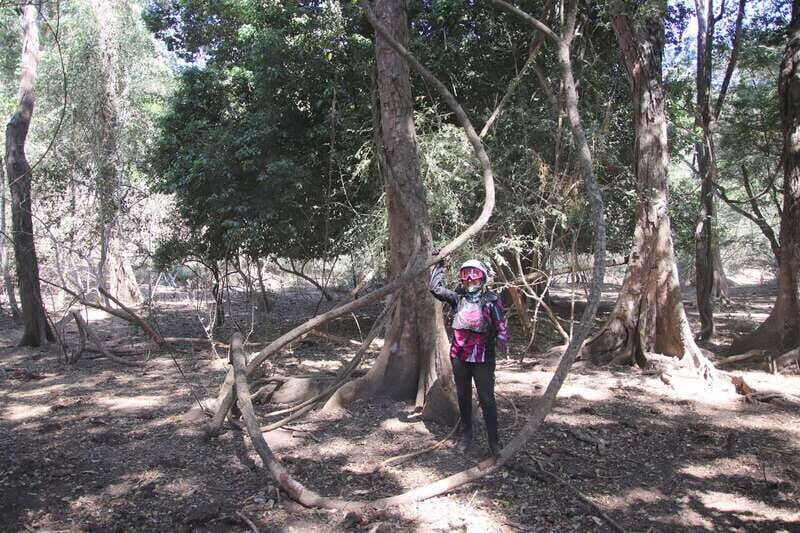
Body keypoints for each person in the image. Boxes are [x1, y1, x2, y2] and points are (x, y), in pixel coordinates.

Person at [429, 253, 508, 456]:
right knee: (463, 397)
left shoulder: (492, 300)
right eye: (465, 275)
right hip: (459, 357)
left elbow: (501, 325)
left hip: (483, 359)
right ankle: (466, 436)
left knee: (487, 399)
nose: (470, 279)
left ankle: (494, 442)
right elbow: (435, 289)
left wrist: (502, 340)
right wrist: (439, 264)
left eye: (474, 275)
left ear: (482, 277)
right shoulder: (458, 298)